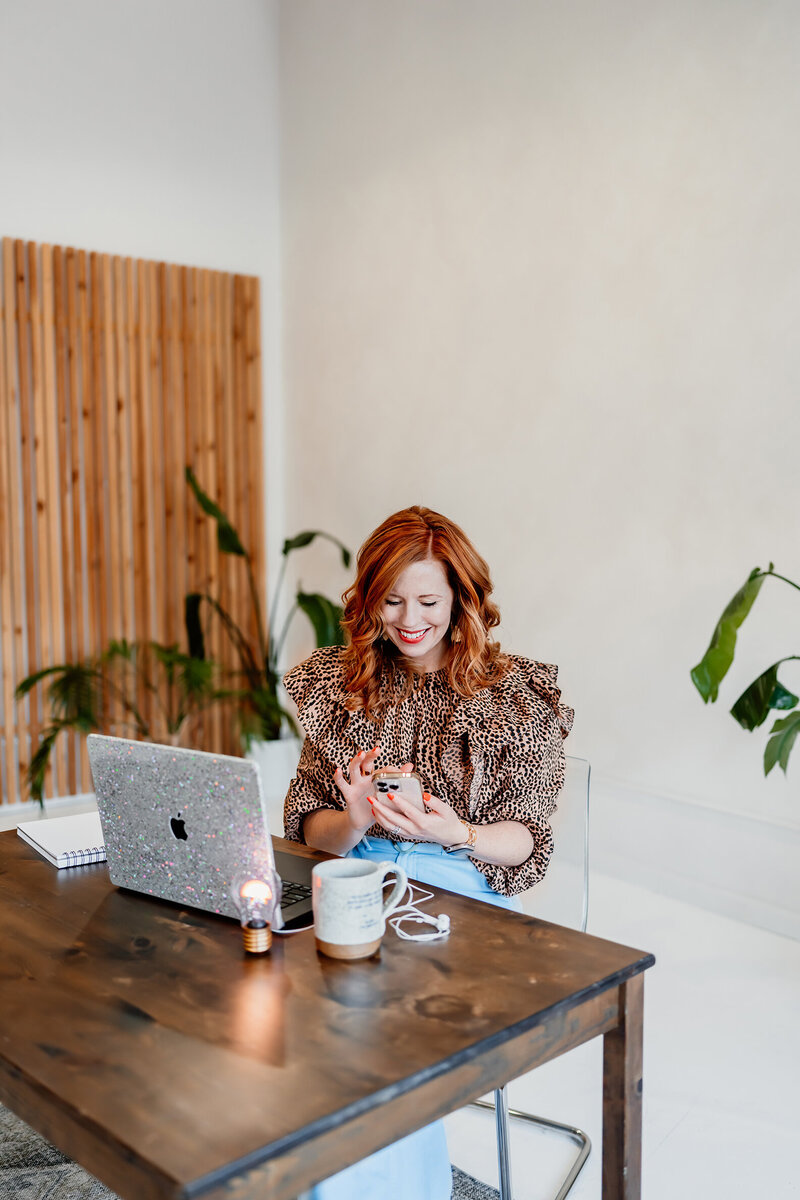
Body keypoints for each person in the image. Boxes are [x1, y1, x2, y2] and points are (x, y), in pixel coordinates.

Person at [283, 505, 573, 1200]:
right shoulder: (340, 684)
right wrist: (352, 818)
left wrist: (457, 833)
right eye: (390, 600)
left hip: (463, 884)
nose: (408, 619)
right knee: (281, 988)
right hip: (359, 875)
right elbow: (307, 828)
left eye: (428, 602)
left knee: (371, 1016)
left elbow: (528, 837)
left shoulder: (515, 697)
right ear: (367, 598)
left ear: (462, 600)